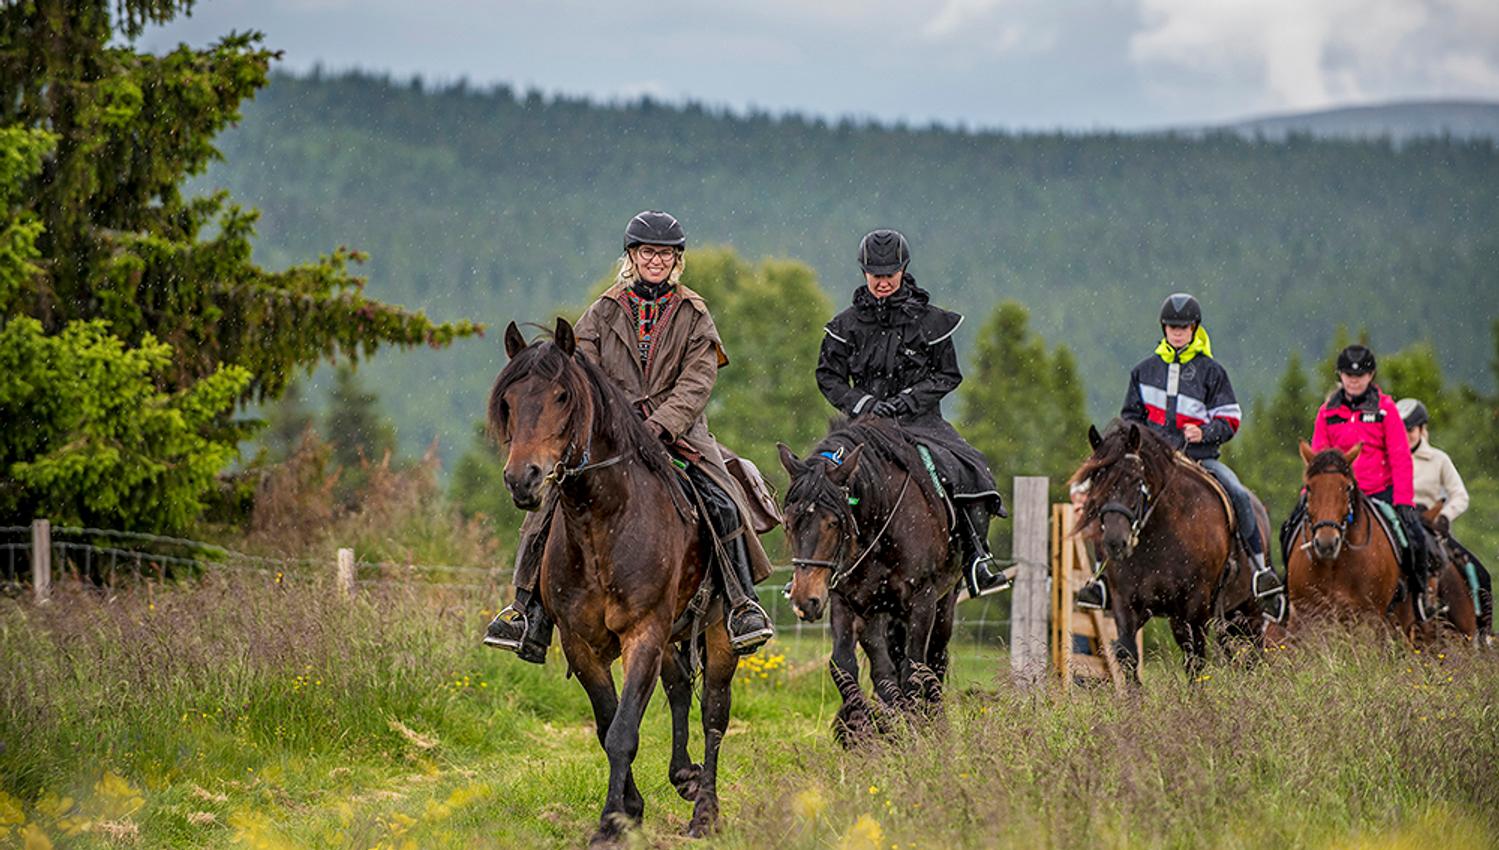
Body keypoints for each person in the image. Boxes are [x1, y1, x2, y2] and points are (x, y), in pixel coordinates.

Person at [484, 210, 776, 660]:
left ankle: (741, 604)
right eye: (647, 252)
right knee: (547, 508)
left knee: (723, 495)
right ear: (632, 256)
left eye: (664, 253)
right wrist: (617, 414)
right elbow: (578, 369)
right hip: (613, 432)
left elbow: (698, 381)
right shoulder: (603, 310)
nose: (655, 260)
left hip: (679, 432)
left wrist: (660, 424)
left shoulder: (694, 313)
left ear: (676, 259)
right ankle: (527, 611)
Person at [814, 229, 1009, 599]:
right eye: (875, 274)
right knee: (817, 477)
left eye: (889, 273)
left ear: (903, 269)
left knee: (972, 470)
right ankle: (819, 566)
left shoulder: (932, 322)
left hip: (922, 423)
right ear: (864, 272)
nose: (883, 281)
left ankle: (976, 558)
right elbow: (828, 376)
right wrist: (864, 404)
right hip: (865, 426)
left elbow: (947, 374)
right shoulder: (844, 327)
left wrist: (905, 401)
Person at [1075, 293, 1285, 620]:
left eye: (1183, 327)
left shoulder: (1212, 372)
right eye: (1172, 327)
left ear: (1194, 328)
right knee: (1110, 498)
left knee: (1240, 496)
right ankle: (1102, 577)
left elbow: (1230, 418)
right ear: (1164, 328)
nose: (1177, 332)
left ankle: (1260, 572)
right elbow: (1130, 416)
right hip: (1151, 464)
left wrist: (1206, 432)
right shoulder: (1143, 371)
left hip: (1200, 460)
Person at [1288, 344, 1434, 616]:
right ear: (1340, 376)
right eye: (1348, 375)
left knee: (1415, 537)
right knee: (1289, 528)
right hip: (1335, 494)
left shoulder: (1386, 409)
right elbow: (1319, 457)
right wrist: (1310, 494)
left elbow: (1400, 457)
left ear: (1371, 376)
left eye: (1361, 375)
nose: (1354, 380)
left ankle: (1418, 596)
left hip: (1379, 491)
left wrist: (1403, 500)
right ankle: (1286, 596)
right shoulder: (1327, 412)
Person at [1399, 397, 1490, 631]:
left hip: (1431, 525)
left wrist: (1445, 517)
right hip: (1399, 525)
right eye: (1401, 430)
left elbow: (1460, 495)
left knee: (1479, 574)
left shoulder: (1439, 460)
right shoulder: (1389, 459)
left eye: (1410, 430)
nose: (1406, 434)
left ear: (1421, 429)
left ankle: (1482, 631)